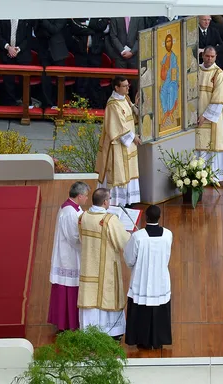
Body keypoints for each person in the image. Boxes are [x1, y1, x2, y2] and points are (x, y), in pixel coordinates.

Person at [77, 188, 132, 340]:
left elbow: (82, 238)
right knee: (107, 296)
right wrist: (132, 235)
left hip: (88, 264)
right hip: (106, 266)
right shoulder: (110, 220)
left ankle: (89, 331)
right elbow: (123, 242)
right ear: (106, 202)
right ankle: (112, 332)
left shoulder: (83, 217)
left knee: (90, 297)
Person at [124, 205, 173, 350]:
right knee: (159, 309)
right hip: (160, 279)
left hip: (141, 279)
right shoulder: (168, 234)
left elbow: (129, 259)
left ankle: (142, 340)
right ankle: (158, 340)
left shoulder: (138, 236)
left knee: (142, 311)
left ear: (146, 217)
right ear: (159, 217)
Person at [47, 181, 90, 332]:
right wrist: (89, 243)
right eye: (85, 196)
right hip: (68, 256)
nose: (86, 199)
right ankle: (67, 323)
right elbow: (74, 238)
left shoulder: (72, 208)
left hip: (70, 253)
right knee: (68, 288)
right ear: (79, 196)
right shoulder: (69, 212)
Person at [96, 76, 142, 207]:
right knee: (119, 173)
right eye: (125, 86)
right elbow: (117, 127)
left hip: (128, 145)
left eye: (128, 85)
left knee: (129, 172)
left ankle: (128, 200)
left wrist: (136, 105)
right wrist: (133, 137)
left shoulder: (125, 99)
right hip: (118, 145)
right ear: (116, 88)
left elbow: (131, 118)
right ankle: (117, 201)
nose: (128, 88)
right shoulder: (113, 104)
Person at [195, 46, 223, 183]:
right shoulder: (195, 71)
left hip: (211, 119)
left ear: (216, 57)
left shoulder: (219, 75)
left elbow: (219, 100)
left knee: (212, 145)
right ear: (202, 56)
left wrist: (205, 116)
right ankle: (196, 176)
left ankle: (214, 177)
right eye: (207, 56)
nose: (209, 59)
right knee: (197, 145)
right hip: (195, 117)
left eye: (212, 56)